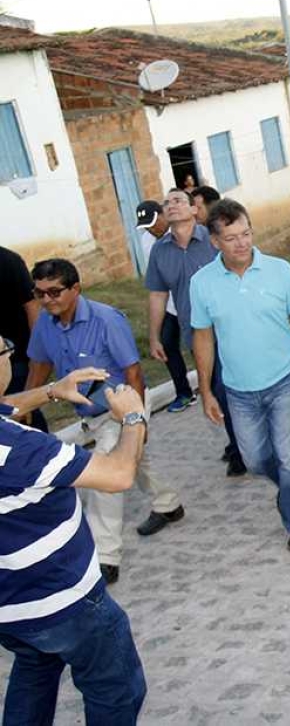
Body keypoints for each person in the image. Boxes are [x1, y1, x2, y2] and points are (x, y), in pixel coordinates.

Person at [0, 341, 149, 724]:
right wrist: (133, 418)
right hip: (64, 601)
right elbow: (118, 475)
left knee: (34, 670)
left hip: (11, 607)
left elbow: (9, 406)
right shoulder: (20, 450)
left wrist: (51, 390)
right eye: (4, 349)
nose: (9, 356)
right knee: (116, 690)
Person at [26, 259, 184, 583]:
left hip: (121, 407)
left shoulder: (106, 319)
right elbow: (39, 367)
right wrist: (27, 406)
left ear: (75, 289)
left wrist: (137, 421)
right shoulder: (45, 323)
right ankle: (169, 505)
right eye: (39, 293)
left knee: (104, 477)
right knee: (138, 463)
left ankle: (106, 558)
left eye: (54, 291)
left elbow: (134, 372)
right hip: (89, 415)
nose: (47, 300)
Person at [190, 199, 290, 552]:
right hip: (237, 388)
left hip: (283, 379)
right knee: (254, 460)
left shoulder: (280, 271)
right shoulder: (202, 283)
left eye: (246, 233)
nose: (242, 243)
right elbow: (203, 338)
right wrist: (205, 391)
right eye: (232, 237)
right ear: (215, 242)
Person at [145, 188, 246, 475]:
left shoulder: (214, 241)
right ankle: (238, 442)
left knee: (233, 389)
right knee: (218, 390)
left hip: (233, 329)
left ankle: (242, 448)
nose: (171, 205)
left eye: (178, 200)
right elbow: (157, 294)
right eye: (167, 202)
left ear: (193, 210)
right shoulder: (159, 251)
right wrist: (154, 336)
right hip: (197, 334)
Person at [134, 200, 195, 414]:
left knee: (198, 345)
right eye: (146, 226)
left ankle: (214, 385)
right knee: (167, 345)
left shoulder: (180, 231)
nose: (151, 228)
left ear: (163, 215)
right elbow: (157, 278)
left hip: (189, 300)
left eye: (153, 222)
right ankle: (184, 392)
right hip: (168, 303)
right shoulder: (146, 241)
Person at [0, 244, 47, 432]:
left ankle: (46, 456)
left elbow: (32, 307)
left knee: (25, 415)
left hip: (16, 358)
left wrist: (35, 355)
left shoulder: (8, 260)